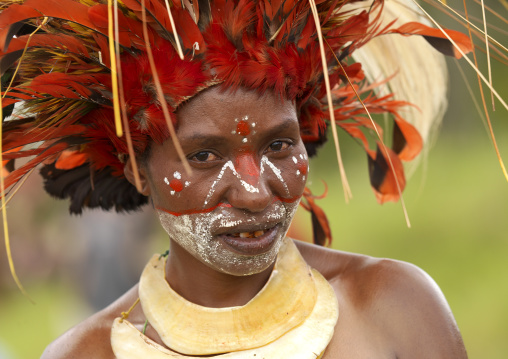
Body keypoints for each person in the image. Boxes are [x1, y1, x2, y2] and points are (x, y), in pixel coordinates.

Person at [0, 0, 472, 357]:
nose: (254, 192)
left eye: (279, 146)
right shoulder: (86, 354)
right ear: (138, 173)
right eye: (204, 155)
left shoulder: (397, 309)